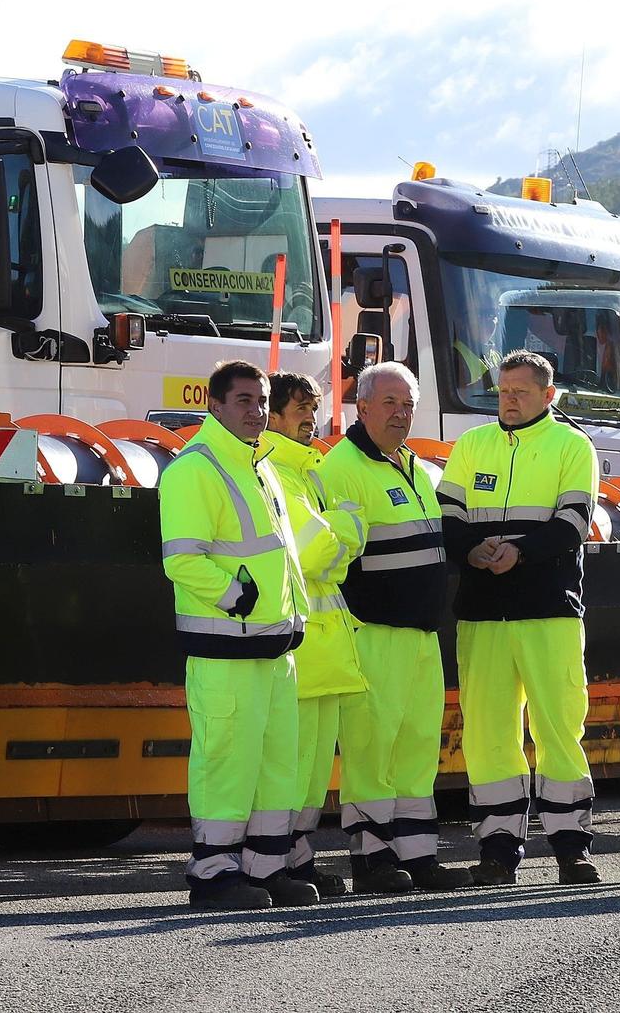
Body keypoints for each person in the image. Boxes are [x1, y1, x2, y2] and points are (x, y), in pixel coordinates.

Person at [438, 350, 603, 885]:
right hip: (482, 615)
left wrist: (518, 553)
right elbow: (448, 518)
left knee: (558, 728)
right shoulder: (471, 445)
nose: (508, 401)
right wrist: (473, 551)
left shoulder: (572, 446)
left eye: (520, 393)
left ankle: (570, 848)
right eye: (503, 392)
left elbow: (572, 524)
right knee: (488, 733)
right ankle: (497, 850)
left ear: (547, 396)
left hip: (549, 611)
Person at [157, 359, 316, 909]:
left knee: (276, 765)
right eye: (244, 400)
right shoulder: (194, 469)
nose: (256, 411)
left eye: (262, 400)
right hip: (225, 649)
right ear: (215, 405)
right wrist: (239, 598)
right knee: (225, 762)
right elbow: (183, 561)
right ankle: (213, 874)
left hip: (274, 647)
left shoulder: (260, 465)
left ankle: (266, 869)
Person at [320, 362, 476, 894]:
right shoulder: (343, 466)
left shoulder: (411, 465)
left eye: (407, 404)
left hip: (421, 634)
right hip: (374, 631)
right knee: (371, 748)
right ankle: (371, 859)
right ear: (360, 407)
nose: (400, 413)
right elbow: (335, 557)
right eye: (389, 403)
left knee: (414, 748)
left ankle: (418, 855)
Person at [261, 371, 367, 899]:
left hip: (321, 651)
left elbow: (331, 558)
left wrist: (338, 534)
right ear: (273, 416)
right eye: (300, 408)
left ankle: (297, 863)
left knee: (310, 774)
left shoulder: (308, 470)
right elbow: (320, 553)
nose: (311, 417)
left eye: (315, 407)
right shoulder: (279, 469)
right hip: (304, 651)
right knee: (293, 769)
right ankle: (278, 866)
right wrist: (347, 523)